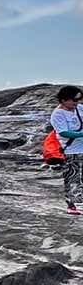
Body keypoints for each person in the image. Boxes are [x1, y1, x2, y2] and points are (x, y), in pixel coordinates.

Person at [51, 85, 83, 215]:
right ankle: (73, 206)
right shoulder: (58, 114)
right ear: (64, 100)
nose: (77, 102)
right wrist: (81, 134)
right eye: (74, 100)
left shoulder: (79, 109)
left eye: (79, 99)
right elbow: (63, 132)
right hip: (71, 151)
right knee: (72, 178)